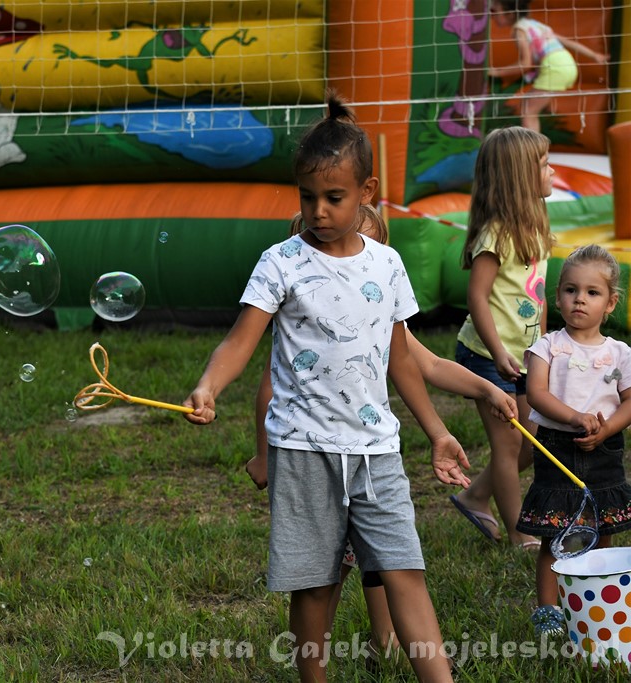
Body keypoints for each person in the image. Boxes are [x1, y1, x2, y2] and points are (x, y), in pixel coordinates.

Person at [183, 93, 467, 682]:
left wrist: (437, 432)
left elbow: (401, 360)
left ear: (367, 192)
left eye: (334, 197)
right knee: (314, 584)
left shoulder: (387, 264)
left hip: (377, 451)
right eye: (307, 196)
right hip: (303, 449)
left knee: (405, 572)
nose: (318, 210)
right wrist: (209, 384)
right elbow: (240, 341)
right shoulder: (280, 263)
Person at [244, 206, 519, 658]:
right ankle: (315, 655)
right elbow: (268, 390)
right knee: (323, 581)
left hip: (368, 457)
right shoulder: (302, 316)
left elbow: (431, 364)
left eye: (370, 244)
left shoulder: (382, 306)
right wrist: (262, 454)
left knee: (386, 567)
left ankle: (384, 640)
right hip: (315, 457)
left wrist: (486, 388)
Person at [517, 244, 631, 636]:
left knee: (603, 528)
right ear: (558, 296)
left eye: (592, 292)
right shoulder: (548, 346)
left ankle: (596, 601)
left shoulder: (620, 353)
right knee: (556, 534)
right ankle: (549, 611)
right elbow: (537, 394)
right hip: (558, 448)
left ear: (610, 303)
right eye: (571, 290)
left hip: (604, 450)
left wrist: (607, 428)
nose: (579, 299)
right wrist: (575, 417)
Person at [450, 125, 554, 551]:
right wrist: (497, 352)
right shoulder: (496, 234)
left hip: (525, 357)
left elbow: (538, 295)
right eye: (544, 165)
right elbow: (477, 296)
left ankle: (475, 495)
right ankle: (519, 533)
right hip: (487, 356)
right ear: (520, 177)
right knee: (509, 446)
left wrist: (546, 348)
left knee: (533, 441)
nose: (552, 171)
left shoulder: (537, 225)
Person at [489, 0, 608, 133]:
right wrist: (594, 55)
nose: (491, 16)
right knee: (528, 106)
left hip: (554, 66)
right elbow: (568, 42)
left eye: (494, 11)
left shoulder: (519, 30)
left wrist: (497, 72)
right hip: (567, 63)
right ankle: (534, 143)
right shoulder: (536, 25)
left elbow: (525, 64)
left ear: (510, 14)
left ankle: (533, 145)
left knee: (528, 110)